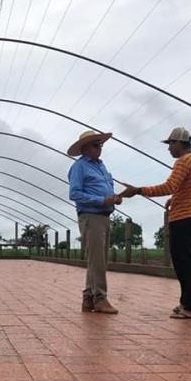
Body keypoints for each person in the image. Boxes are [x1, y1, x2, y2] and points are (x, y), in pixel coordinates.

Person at [120, 127, 191, 319]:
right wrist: (175, 198)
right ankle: (186, 302)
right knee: (189, 261)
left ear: (180, 143)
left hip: (183, 218)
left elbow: (169, 186)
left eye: (170, 144)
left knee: (183, 263)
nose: (169, 149)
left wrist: (138, 190)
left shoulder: (183, 161)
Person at [67, 130, 123, 314]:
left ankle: (89, 298)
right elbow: (74, 194)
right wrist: (101, 201)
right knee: (97, 260)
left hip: (104, 216)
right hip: (91, 216)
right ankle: (100, 297)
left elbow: (105, 189)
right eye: (95, 145)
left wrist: (114, 198)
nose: (99, 148)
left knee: (98, 259)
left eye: (100, 145)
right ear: (85, 148)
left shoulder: (101, 166)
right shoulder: (80, 167)